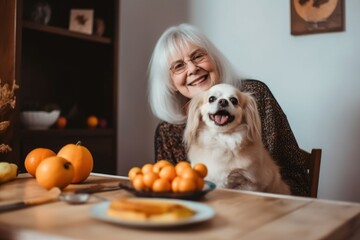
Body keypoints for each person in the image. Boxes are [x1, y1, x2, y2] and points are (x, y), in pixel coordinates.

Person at [147, 23, 309, 197]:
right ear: (170, 83)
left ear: (214, 59)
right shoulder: (168, 131)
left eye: (198, 56)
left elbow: (295, 175)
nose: (193, 69)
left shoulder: (255, 96)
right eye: (179, 66)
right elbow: (166, 191)